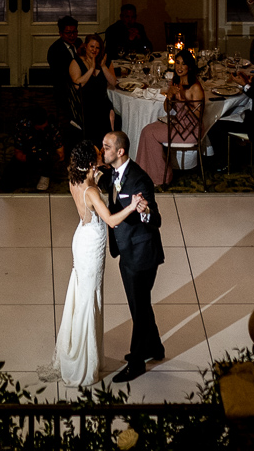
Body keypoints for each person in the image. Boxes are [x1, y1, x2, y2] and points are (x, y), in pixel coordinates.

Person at [47, 141, 149, 387]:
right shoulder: (91, 192)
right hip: (91, 245)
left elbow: (94, 177)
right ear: (90, 164)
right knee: (89, 298)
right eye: (98, 155)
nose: (102, 155)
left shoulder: (75, 180)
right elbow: (112, 221)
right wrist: (133, 207)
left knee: (82, 294)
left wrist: (99, 169)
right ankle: (84, 362)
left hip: (81, 237)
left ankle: (81, 352)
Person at [99, 130, 164, 382]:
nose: (102, 150)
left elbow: (156, 219)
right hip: (126, 251)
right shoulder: (113, 173)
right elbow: (109, 185)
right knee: (141, 304)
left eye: (106, 147)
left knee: (138, 308)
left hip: (142, 254)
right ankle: (154, 347)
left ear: (120, 151)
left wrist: (144, 210)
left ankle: (137, 362)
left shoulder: (140, 180)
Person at [134, 51, 204, 186]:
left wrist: (183, 101)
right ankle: (146, 174)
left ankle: (161, 178)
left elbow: (199, 116)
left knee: (150, 133)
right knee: (146, 130)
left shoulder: (195, 87)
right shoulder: (175, 82)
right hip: (178, 124)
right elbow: (167, 108)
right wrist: (169, 96)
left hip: (191, 130)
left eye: (183, 64)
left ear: (189, 66)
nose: (179, 67)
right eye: (177, 63)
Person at [210, 43, 254, 171]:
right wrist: (247, 81)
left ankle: (227, 162)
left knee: (214, 124)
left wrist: (244, 85)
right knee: (226, 113)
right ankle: (234, 154)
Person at [69, 33, 117, 146]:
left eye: (97, 47)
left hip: (102, 100)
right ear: (85, 46)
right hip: (85, 101)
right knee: (100, 114)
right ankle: (96, 146)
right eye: (92, 46)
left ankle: (107, 147)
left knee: (111, 113)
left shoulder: (105, 61)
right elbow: (77, 84)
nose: (94, 50)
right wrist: (91, 69)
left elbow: (113, 82)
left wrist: (103, 67)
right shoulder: (76, 62)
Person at [47, 16, 84, 141]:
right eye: (68, 33)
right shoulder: (55, 50)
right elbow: (62, 76)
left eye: (75, 32)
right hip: (65, 89)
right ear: (61, 33)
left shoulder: (78, 42)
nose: (72, 36)